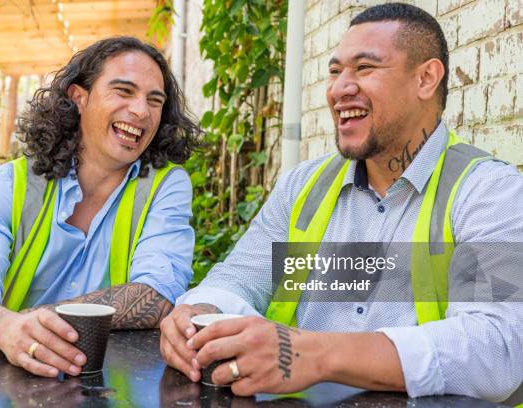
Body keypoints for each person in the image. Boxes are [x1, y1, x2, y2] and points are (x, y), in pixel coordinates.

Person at [159, 3, 523, 403]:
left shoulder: (488, 190)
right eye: (335, 72)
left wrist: (316, 355)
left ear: (426, 78)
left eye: (365, 68)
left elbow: (498, 347)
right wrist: (197, 310)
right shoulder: (303, 187)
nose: (339, 89)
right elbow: (241, 277)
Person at [0, 36, 201, 378]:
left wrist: (30, 322)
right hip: (4, 378)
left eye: (154, 100)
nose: (141, 111)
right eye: (123, 91)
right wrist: (3, 328)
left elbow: (159, 293)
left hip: (105, 384)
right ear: (79, 98)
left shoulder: (165, 186)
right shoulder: (7, 185)